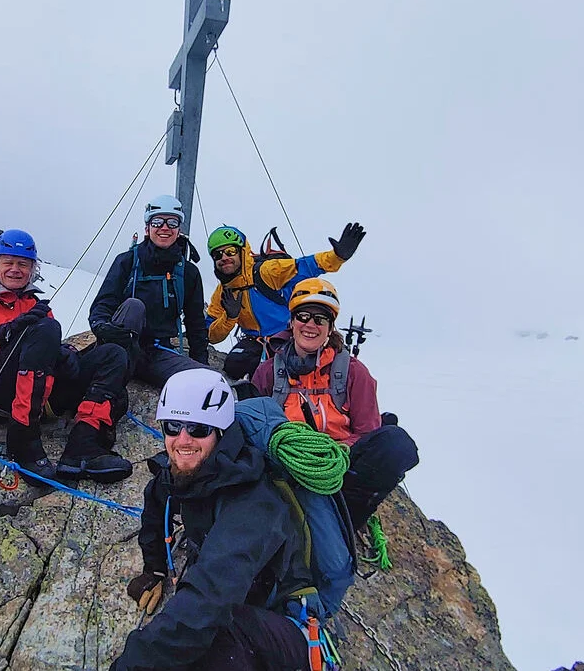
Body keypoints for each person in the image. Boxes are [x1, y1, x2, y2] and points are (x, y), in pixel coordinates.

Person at [113, 369, 317, 671]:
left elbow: (208, 599)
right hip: (235, 596)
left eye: (197, 428)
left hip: (281, 616)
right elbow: (156, 502)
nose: (183, 440)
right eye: (173, 426)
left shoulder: (252, 500)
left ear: (220, 433)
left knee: (214, 644)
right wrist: (154, 568)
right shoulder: (185, 473)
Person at [0, 229, 132, 485]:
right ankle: (23, 439)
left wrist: (63, 353)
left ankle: (83, 445)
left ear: (32, 268)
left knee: (112, 355)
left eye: (23, 264)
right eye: (9, 262)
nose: (16, 269)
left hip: (41, 393)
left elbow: (44, 349)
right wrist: (5, 334)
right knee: (47, 328)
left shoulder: (35, 305)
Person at [251, 278, 419, 530]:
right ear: (292, 322)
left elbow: (366, 432)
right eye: (303, 316)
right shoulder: (267, 373)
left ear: (330, 328)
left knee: (395, 444)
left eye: (320, 319)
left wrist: (331, 454)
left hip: (340, 473)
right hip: (286, 468)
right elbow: (255, 429)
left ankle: (347, 519)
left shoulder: (353, 372)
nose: (310, 325)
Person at [205, 222, 365, 381]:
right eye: (217, 255)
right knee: (234, 367)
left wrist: (336, 257)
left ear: (242, 251)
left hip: (287, 335)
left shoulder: (267, 271)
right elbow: (211, 335)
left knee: (289, 372)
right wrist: (230, 318)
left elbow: (305, 266)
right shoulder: (222, 293)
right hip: (254, 342)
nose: (224, 258)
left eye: (230, 251)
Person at [88, 195, 209, 389]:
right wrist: (101, 325)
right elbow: (103, 303)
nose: (164, 228)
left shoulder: (188, 273)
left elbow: (196, 323)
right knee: (133, 306)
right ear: (147, 228)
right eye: (157, 221)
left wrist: (200, 364)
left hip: (156, 353)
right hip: (120, 348)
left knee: (206, 378)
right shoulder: (127, 261)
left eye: (172, 222)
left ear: (179, 230)